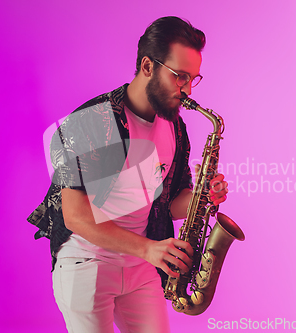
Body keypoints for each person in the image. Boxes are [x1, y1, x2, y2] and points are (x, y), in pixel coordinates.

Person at [27, 16, 228, 333]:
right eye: (179, 76)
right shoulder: (94, 122)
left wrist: (200, 198)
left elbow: (170, 201)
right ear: (148, 66)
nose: (187, 89)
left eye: (193, 79)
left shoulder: (175, 127)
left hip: (141, 265)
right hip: (87, 263)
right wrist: (148, 249)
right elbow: (76, 216)